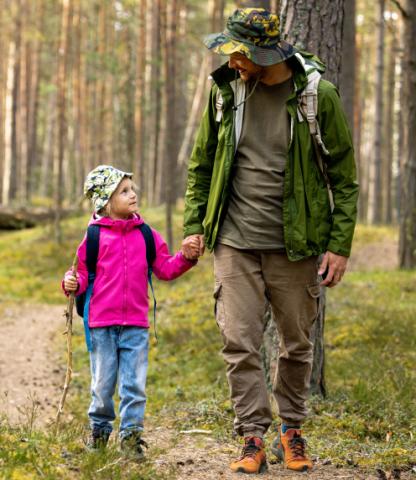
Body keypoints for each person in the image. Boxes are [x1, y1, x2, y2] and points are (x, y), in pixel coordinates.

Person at [183, 8, 358, 475]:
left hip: (297, 246)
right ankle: (252, 436)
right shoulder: (227, 92)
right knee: (239, 340)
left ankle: (292, 429)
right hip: (235, 242)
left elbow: (345, 178)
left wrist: (339, 245)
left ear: (262, 53)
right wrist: (194, 225)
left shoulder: (317, 96)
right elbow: (201, 166)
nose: (230, 60)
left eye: (238, 53)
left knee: (297, 344)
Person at [63, 165, 199, 458]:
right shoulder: (94, 237)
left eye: (131, 189)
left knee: (134, 385)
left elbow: (164, 267)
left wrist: (186, 259)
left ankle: (131, 438)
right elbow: (82, 275)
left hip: (136, 324)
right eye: (124, 191)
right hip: (101, 325)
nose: (133, 194)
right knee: (102, 384)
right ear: (106, 201)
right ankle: (99, 433)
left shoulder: (146, 235)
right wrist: (70, 282)